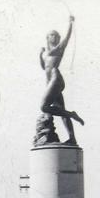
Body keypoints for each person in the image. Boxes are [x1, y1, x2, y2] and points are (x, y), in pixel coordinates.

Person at [40, 16, 84, 144]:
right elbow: (44, 67)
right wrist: (39, 54)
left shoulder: (59, 48)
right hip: (50, 82)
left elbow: (67, 37)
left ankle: (72, 115)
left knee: (44, 107)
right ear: (47, 38)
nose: (55, 37)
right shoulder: (44, 53)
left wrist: (70, 23)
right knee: (61, 110)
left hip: (55, 78)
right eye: (52, 35)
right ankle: (72, 138)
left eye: (56, 36)